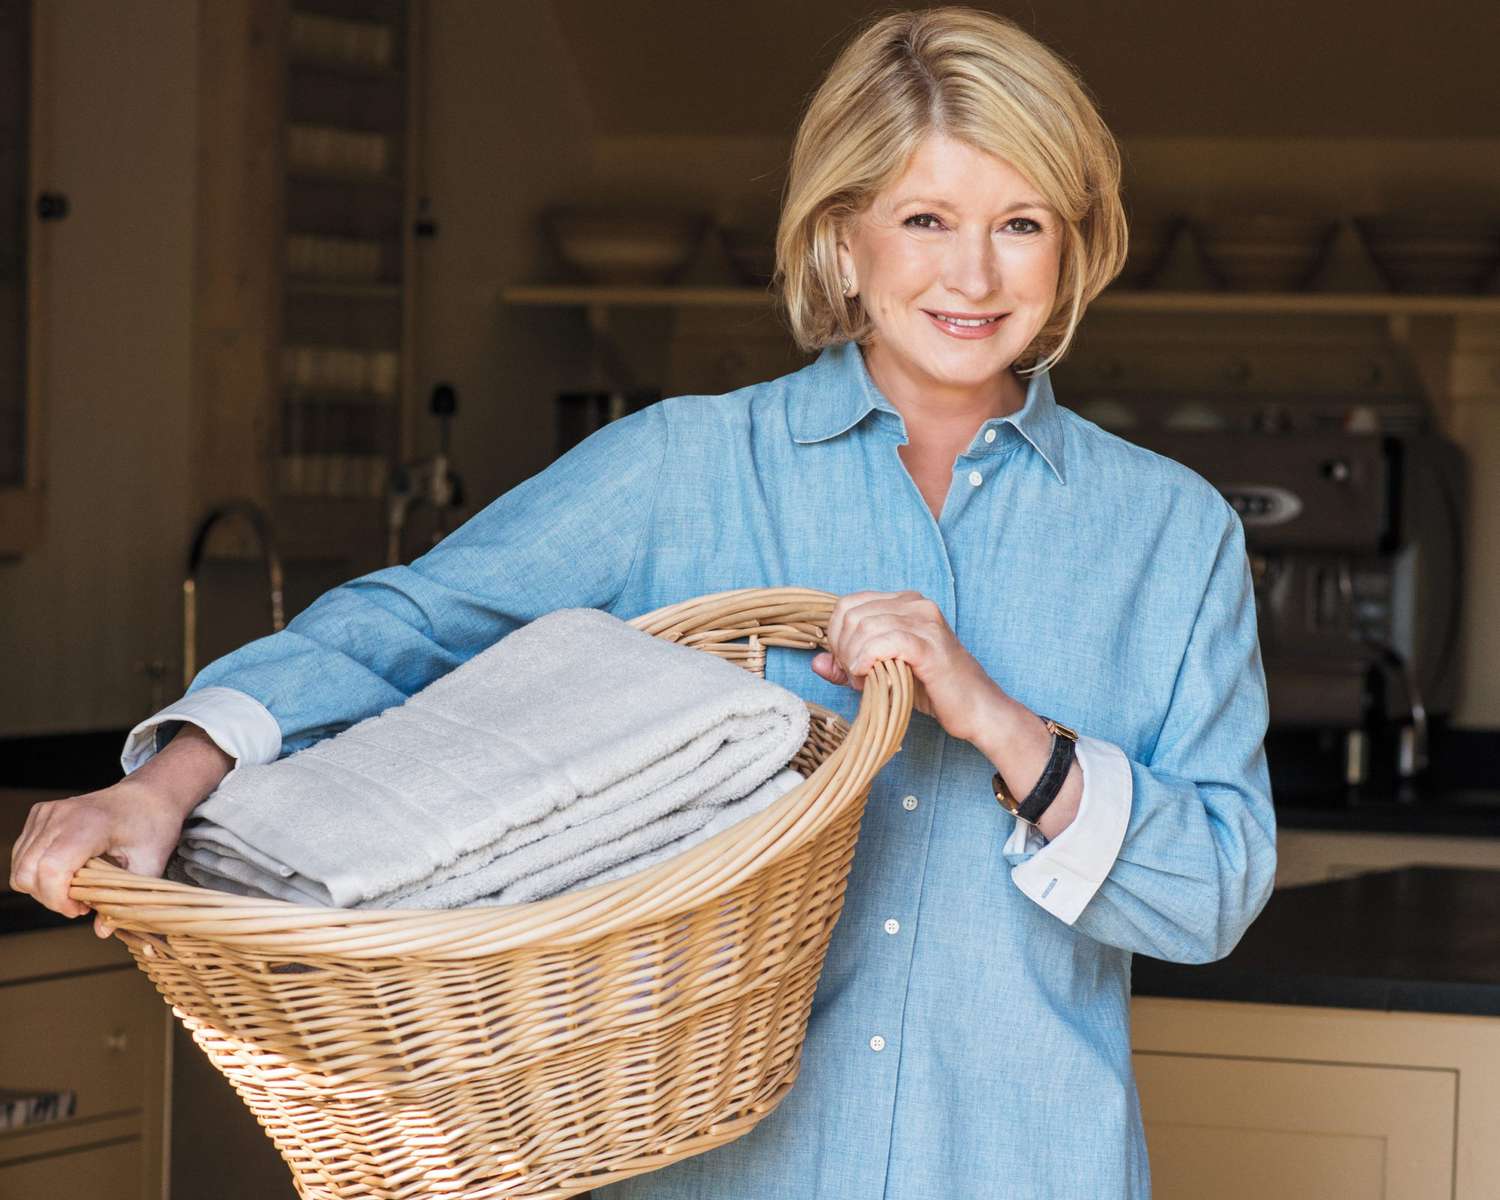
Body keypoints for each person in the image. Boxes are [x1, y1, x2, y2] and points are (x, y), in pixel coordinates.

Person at [11, 7, 1275, 1197]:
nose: (975, 274)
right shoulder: (681, 468)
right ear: (844, 237)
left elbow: (1211, 895)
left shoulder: (1169, 534)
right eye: (926, 218)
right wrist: (163, 781)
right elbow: (410, 624)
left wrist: (999, 722)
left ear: (1074, 245)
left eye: (1022, 223)